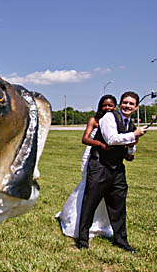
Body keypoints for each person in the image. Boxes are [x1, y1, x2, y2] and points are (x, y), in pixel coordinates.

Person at [76, 91, 147, 253]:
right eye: (125, 103)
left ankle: (121, 240)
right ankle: (82, 240)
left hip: (117, 169)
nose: (127, 106)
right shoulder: (109, 117)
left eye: (131, 104)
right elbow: (111, 139)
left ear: (136, 107)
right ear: (120, 104)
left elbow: (129, 148)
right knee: (90, 203)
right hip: (99, 166)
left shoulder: (131, 125)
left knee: (119, 205)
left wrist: (131, 149)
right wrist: (133, 135)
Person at [55, 95, 118, 240]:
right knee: (88, 185)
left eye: (110, 105)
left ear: (115, 107)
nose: (107, 108)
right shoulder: (94, 120)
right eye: (105, 105)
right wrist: (100, 144)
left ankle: (100, 223)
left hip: (108, 158)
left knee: (105, 188)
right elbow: (85, 139)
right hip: (92, 155)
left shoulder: (116, 121)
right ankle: (76, 221)